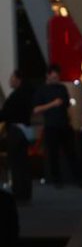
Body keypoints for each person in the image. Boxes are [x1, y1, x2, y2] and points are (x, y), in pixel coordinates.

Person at [32, 64, 74, 186]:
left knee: (70, 151)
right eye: (54, 77)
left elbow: (67, 105)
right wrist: (53, 104)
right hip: (51, 126)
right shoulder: (42, 90)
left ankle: (74, 176)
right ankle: (56, 179)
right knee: (53, 154)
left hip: (64, 124)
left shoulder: (62, 88)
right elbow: (36, 109)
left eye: (57, 77)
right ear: (48, 76)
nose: (56, 79)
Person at [0, 70, 34, 201]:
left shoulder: (16, 96)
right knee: (23, 164)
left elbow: (5, 114)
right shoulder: (27, 94)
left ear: (18, 79)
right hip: (24, 131)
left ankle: (19, 193)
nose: (10, 80)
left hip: (15, 132)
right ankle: (25, 193)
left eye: (12, 78)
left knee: (16, 164)